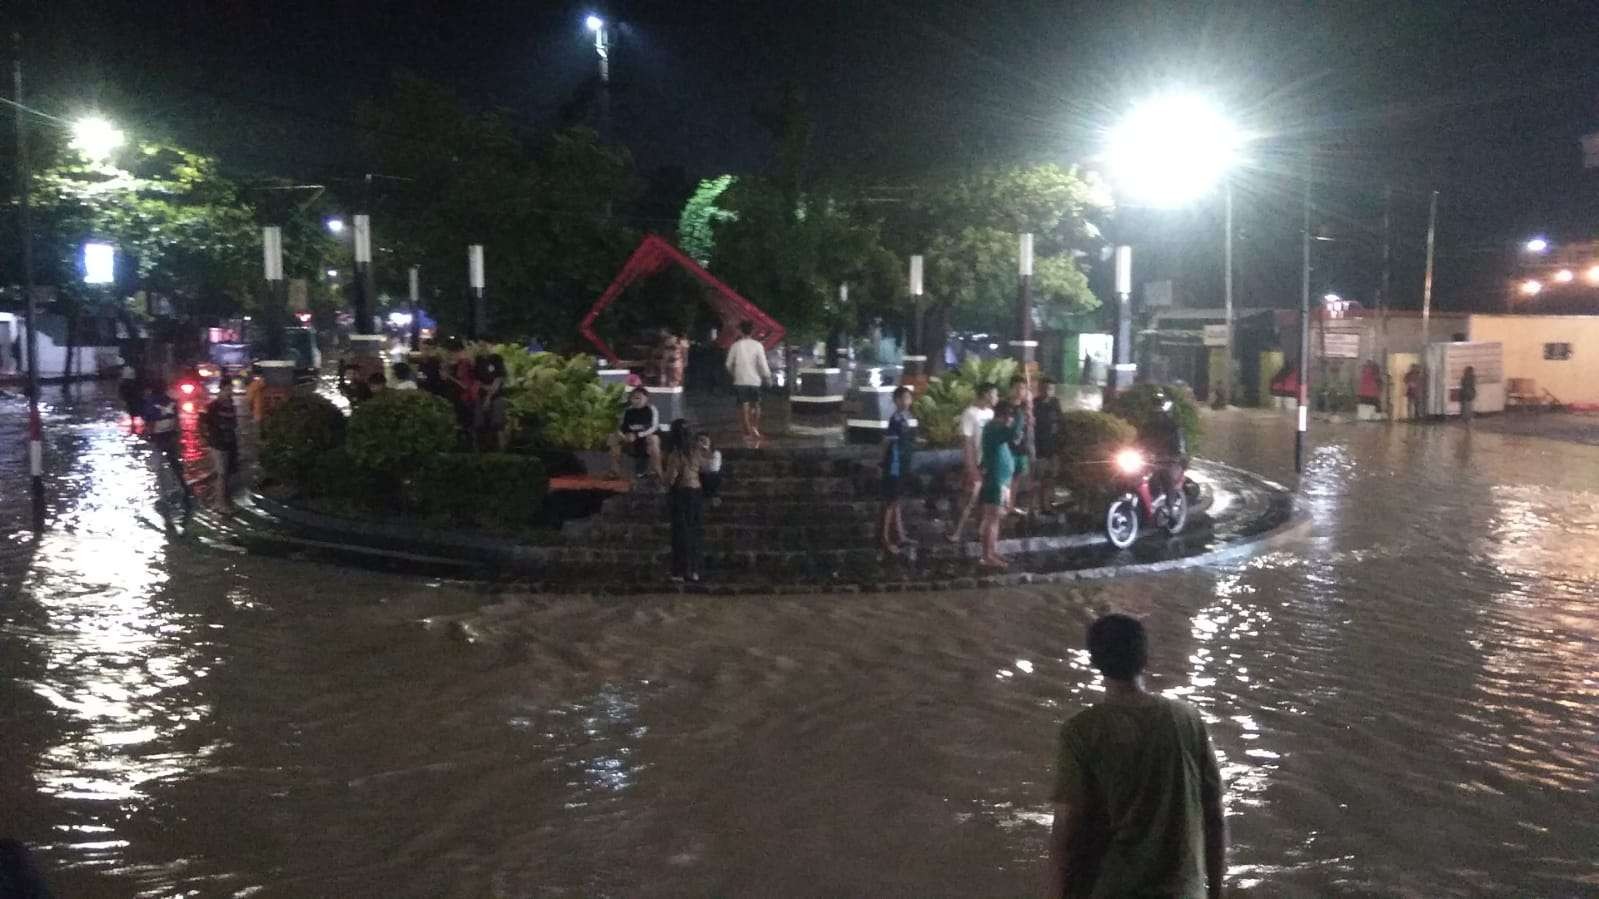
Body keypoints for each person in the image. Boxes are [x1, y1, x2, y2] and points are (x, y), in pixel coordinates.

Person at [1048, 614, 1226, 899]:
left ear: (1094, 662)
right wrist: (1215, 892)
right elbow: (1214, 815)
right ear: (1146, 658)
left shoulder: (1081, 732)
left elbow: (1067, 832)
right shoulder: (1188, 719)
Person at [946, 381, 998, 543]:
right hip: (975, 462)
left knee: (983, 501)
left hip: (988, 462)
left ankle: (979, 530)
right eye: (995, 394)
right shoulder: (969, 413)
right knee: (969, 499)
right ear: (986, 395)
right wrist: (971, 467)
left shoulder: (991, 413)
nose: (997, 397)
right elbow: (967, 442)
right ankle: (956, 531)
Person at [661, 418, 707, 582]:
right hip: (697, 492)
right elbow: (704, 467)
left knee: (680, 533)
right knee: (695, 532)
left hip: (682, 494)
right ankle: (694, 570)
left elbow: (671, 478)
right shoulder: (696, 451)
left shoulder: (676, 454)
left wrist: (662, 477)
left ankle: (679, 571)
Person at [977, 400, 1019, 567]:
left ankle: (991, 552)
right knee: (992, 518)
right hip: (995, 479)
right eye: (1009, 417)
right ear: (1005, 417)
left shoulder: (993, 428)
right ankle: (987, 556)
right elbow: (1013, 434)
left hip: (1000, 478)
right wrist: (1022, 415)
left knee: (995, 518)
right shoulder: (994, 428)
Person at [142, 383, 192, 515]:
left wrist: (149, 436)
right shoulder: (172, 401)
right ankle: (184, 487)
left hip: (158, 438)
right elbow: (176, 420)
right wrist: (178, 434)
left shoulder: (150, 402)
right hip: (170, 436)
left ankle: (163, 495)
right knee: (175, 463)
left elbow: (149, 421)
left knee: (159, 467)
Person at [879, 385, 917, 554]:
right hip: (894, 464)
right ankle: (886, 538)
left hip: (903, 463)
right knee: (891, 501)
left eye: (909, 398)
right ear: (897, 400)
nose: (907, 402)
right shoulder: (895, 419)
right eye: (904, 398)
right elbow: (888, 442)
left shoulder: (905, 417)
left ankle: (900, 535)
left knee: (897, 500)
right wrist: (882, 462)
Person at [725, 320, 772, 447]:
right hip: (755, 380)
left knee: (743, 406)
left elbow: (728, 364)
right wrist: (767, 376)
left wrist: (734, 374)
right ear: (752, 331)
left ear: (740, 331)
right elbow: (762, 364)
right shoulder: (758, 345)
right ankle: (755, 427)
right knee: (756, 404)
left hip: (740, 380)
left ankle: (747, 432)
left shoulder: (736, 346)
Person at [606, 387, 663, 480]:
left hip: (646, 436)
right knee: (613, 437)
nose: (636, 401)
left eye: (639, 398)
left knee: (654, 439)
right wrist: (623, 436)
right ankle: (614, 471)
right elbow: (620, 427)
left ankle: (657, 472)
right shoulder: (628, 411)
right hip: (629, 437)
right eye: (634, 398)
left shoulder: (651, 409)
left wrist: (638, 435)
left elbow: (654, 427)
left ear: (646, 399)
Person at [199, 379, 239, 512]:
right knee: (222, 473)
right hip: (218, 443)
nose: (230, 392)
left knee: (226, 473)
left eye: (231, 389)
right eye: (227, 389)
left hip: (229, 442)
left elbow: (234, 423)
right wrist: (206, 437)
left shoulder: (231, 404)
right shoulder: (213, 406)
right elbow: (202, 421)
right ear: (221, 390)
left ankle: (219, 500)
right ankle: (220, 504)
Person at [1033, 378, 1063, 514]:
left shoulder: (1055, 403)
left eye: (1050, 389)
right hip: (1039, 447)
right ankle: (1037, 506)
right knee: (1038, 479)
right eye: (1045, 388)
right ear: (1040, 389)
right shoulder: (1035, 404)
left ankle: (1048, 504)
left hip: (1053, 447)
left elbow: (1060, 422)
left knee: (1050, 478)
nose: (1048, 392)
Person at [1006, 375, 1035, 517]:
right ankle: (1004, 506)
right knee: (1006, 479)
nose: (1019, 391)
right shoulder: (1005, 407)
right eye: (1017, 388)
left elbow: (1029, 428)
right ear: (1011, 389)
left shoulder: (1025, 408)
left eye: (1022, 388)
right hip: (1007, 449)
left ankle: (1010, 505)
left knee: (1016, 478)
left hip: (1021, 449)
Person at [475, 353, 508, 451]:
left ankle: (500, 450)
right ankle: (482, 449)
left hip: (496, 398)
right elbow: (478, 382)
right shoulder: (479, 362)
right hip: (482, 397)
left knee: (497, 425)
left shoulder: (497, 363)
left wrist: (488, 397)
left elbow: (497, 383)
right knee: (480, 424)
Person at [697, 432, 723, 507]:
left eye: (704, 440)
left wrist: (704, 452)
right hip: (700, 477)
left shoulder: (716, 453)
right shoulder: (695, 453)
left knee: (712, 475)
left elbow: (713, 467)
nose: (701, 442)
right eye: (699, 440)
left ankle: (713, 496)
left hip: (712, 477)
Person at [117, 358, 143, 426]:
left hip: (130, 396)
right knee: (133, 408)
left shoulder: (125, 381)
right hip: (132, 396)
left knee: (131, 408)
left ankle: (133, 422)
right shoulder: (133, 381)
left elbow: (121, 391)